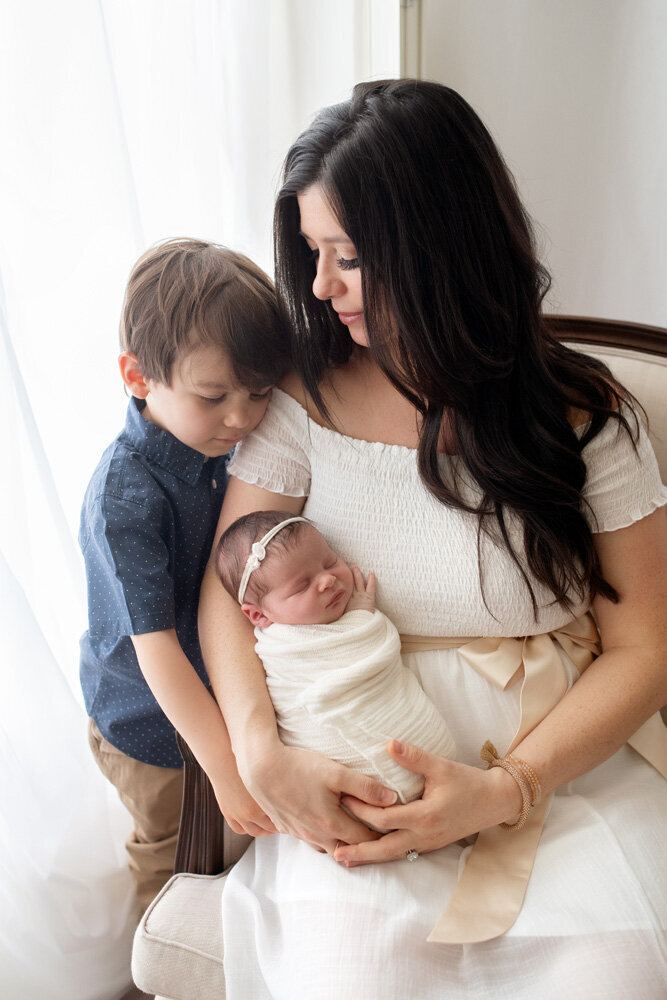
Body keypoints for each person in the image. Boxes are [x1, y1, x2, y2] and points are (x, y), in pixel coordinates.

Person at [198, 80, 667, 998]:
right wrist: (260, 753)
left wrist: (511, 787)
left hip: (561, 786)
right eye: (312, 253)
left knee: (613, 976)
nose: (322, 287)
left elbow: (646, 643)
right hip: (356, 788)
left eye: (350, 256)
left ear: (439, 244)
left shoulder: (585, 419)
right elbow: (230, 589)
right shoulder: (300, 402)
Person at [79, 238, 290, 910]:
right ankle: (155, 968)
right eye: (213, 396)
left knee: (227, 853)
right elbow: (156, 650)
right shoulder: (126, 498)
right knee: (169, 853)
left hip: (217, 688)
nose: (241, 417)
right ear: (138, 377)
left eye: (257, 394)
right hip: (147, 718)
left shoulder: (226, 441)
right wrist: (224, 766)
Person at [215, 510, 456, 803]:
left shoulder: (345, 618)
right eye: (302, 585)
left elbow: (375, 660)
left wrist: (360, 620)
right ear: (259, 615)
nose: (327, 580)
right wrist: (361, 619)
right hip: (342, 780)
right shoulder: (281, 647)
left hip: (434, 765)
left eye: (330, 562)